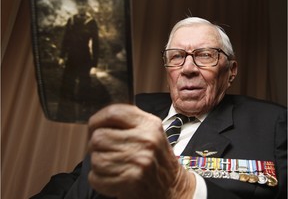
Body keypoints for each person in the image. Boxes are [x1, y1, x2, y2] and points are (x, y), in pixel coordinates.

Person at [31, 17, 287, 199]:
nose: (188, 68)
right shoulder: (137, 106)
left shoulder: (273, 124)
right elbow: (79, 176)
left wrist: (184, 188)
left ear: (230, 71)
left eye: (206, 55)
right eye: (176, 56)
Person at [56, 3, 99, 122]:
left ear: (86, 8)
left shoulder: (91, 22)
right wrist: (61, 56)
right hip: (71, 58)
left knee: (85, 86)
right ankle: (65, 115)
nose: (81, 8)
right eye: (80, 6)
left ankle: (84, 116)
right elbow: (66, 39)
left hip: (85, 58)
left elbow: (96, 44)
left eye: (83, 6)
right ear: (77, 7)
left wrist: (94, 64)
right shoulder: (71, 20)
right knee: (67, 85)